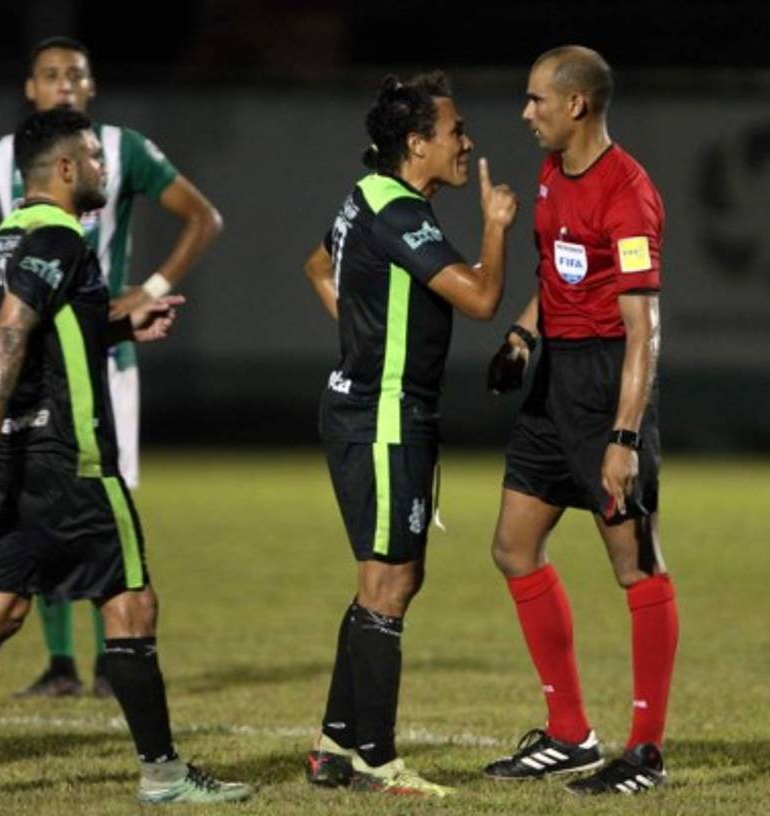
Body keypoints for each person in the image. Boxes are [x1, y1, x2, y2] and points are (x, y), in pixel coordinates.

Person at [0, 107, 251, 805]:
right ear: (67, 167)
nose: (105, 168)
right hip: (68, 455)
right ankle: (165, 776)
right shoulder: (58, 236)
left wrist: (123, 326)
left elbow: (51, 325)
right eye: (96, 159)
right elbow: (12, 331)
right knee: (132, 603)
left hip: (20, 456)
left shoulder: (9, 235)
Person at [0, 35, 223, 699]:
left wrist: (149, 291)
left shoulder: (120, 151)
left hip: (103, 356)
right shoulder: (4, 158)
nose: (63, 83)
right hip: (30, 361)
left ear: (92, 87)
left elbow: (203, 217)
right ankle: (62, 663)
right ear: (29, 88)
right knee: (39, 499)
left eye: (75, 74)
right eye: (50, 74)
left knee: (99, 498)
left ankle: (105, 663)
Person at [302, 72, 518, 798]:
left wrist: (362, 332)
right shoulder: (398, 213)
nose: (468, 142)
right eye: (456, 131)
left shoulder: (367, 196)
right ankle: (377, 760)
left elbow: (317, 265)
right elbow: (482, 298)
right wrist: (495, 224)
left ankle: (335, 745)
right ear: (417, 143)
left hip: (372, 409)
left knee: (391, 577)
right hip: (385, 415)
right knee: (388, 583)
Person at [481, 46, 678, 795]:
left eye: (537, 99)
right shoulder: (549, 172)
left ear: (577, 105)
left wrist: (624, 437)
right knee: (513, 547)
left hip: (605, 383)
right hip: (554, 376)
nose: (525, 112)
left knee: (637, 566)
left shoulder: (627, 193)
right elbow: (558, 273)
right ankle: (569, 734)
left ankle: (646, 751)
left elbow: (643, 330)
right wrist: (522, 336)